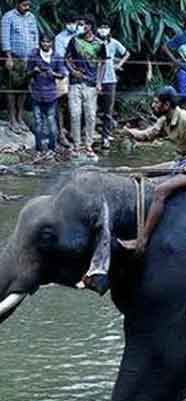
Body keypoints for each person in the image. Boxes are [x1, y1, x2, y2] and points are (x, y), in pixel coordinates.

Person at [118, 86, 186, 254]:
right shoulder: (164, 119)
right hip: (181, 161)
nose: (153, 105)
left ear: (167, 104)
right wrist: (130, 132)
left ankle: (142, 239)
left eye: (156, 102)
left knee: (161, 190)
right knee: (140, 170)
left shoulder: (184, 119)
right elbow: (148, 135)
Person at [65, 15, 105, 158]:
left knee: (91, 116)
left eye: (85, 24)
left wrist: (99, 83)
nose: (83, 27)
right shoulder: (74, 40)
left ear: (91, 26)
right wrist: (73, 71)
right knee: (75, 114)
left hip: (91, 84)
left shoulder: (99, 44)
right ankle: (76, 145)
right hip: (75, 83)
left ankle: (88, 145)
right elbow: (67, 59)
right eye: (81, 24)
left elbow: (102, 64)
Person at [0, 0, 38, 133]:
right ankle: (11, 118)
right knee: (11, 88)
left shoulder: (31, 17)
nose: (27, 8)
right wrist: (8, 57)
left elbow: (35, 36)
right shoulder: (8, 16)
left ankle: (19, 117)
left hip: (28, 58)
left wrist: (35, 56)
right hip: (14, 58)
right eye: (24, 5)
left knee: (24, 89)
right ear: (17, 3)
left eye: (28, 5)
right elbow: (4, 37)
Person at [27, 34, 66, 155]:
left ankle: (52, 147)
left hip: (51, 95)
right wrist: (34, 71)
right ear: (40, 43)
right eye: (43, 42)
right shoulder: (34, 55)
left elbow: (62, 74)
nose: (45, 44)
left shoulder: (56, 57)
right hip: (36, 94)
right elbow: (27, 73)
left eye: (48, 42)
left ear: (51, 43)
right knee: (38, 122)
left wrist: (53, 73)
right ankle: (39, 148)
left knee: (51, 122)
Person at [97, 21, 129, 149]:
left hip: (110, 78)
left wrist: (119, 64)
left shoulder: (114, 43)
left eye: (105, 27)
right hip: (95, 78)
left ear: (109, 29)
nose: (103, 30)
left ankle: (105, 136)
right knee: (92, 108)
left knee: (108, 110)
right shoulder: (94, 42)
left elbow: (126, 53)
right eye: (101, 27)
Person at [54, 14, 83, 147]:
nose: (72, 24)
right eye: (69, 22)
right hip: (65, 74)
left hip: (81, 74)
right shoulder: (59, 38)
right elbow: (61, 59)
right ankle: (61, 134)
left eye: (74, 22)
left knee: (78, 103)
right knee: (61, 103)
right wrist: (68, 73)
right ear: (65, 23)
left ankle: (74, 132)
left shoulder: (82, 34)